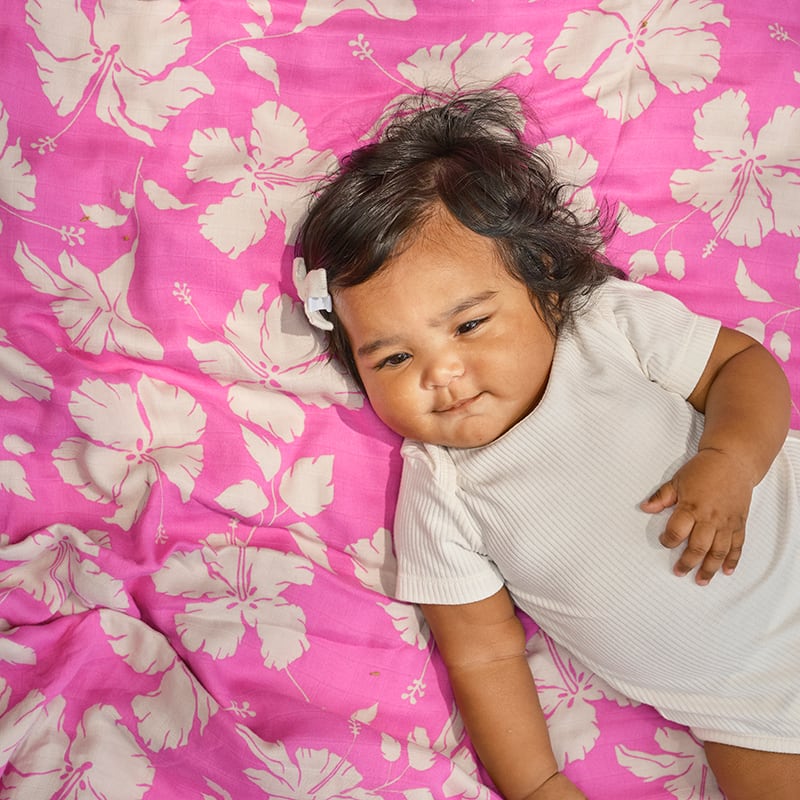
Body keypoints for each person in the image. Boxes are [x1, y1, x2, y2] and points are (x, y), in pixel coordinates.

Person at [297, 89, 800, 800]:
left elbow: (741, 367)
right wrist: (536, 784)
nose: (441, 373)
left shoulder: (605, 329)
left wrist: (730, 461)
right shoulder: (443, 489)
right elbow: (484, 655)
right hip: (748, 708)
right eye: (395, 359)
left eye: (468, 326)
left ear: (544, 281)